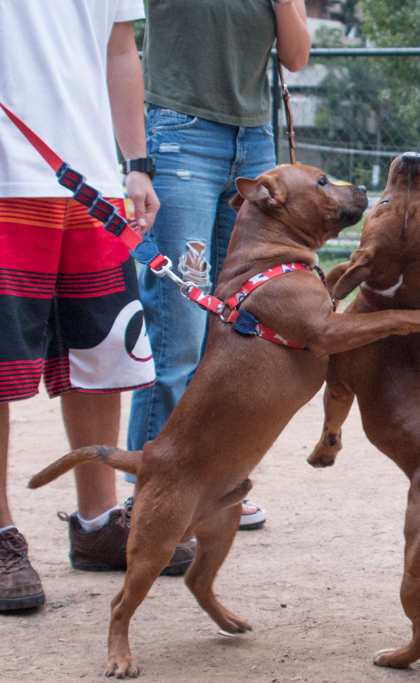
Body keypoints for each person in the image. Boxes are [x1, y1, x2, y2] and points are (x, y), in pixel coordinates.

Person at [0, 0, 195, 612]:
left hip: (89, 181)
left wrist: (136, 164)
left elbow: (118, 49)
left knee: (102, 355)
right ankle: (2, 536)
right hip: (6, 177)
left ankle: (97, 522)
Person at [126, 0, 311, 530]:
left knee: (235, 329)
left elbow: (295, 56)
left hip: (254, 142)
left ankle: (213, 486)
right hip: (181, 134)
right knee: (177, 326)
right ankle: (152, 494)